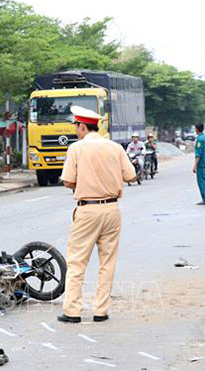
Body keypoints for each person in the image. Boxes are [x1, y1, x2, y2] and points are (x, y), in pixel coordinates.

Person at [57, 106, 137, 324]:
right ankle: (100, 311)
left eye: (76, 127)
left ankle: (73, 311)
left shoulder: (76, 148)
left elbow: (68, 181)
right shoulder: (115, 147)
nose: (76, 131)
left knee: (76, 262)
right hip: (112, 210)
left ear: (82, 126)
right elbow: (131, 175)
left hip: (87, 210)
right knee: (107, 262)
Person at [192, 123, 205, 205]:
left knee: (202, 181)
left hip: (201, 163)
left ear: (197, 129)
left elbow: (198, 154)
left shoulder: (200, 140)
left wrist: (194, 165)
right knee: (204, 180)